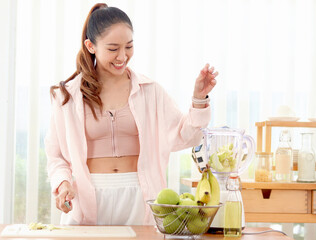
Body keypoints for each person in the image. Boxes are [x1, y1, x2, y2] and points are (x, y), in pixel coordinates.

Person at [45, 3, 218, 226]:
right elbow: (56, 155)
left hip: (140, 196)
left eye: (129, 46)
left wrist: (199, 98)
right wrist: (63, 183)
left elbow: (187, 135)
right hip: (89, 197)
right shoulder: (67, 96)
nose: (122, 56)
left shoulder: (150, 90)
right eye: (113, 48)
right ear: (91, 46)